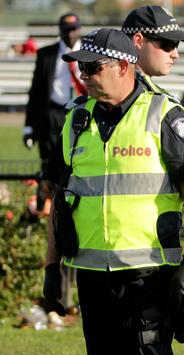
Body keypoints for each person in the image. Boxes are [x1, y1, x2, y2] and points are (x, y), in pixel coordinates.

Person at [41, 28, 184, 355]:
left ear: (123, 65)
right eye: (79, 67)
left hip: (148, 274)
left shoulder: (163, 114)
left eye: (92, 67)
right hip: (94, 275)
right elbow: (63, 195)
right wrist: (52, 268)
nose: (84, 76)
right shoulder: (77, 119)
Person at [24, 13, 84, 214]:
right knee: (49, 161)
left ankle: (75, 201)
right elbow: (35, 92)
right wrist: (29, 126)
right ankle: (45, 206)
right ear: (59, 31)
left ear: (80, 29)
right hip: (52, 113)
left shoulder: (89, 52)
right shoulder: (47, 55)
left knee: (78, 157)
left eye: (74, 29)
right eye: (66, 30)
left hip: (81, 111)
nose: (70, 34)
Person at [122, 4, 184, 93]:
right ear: (138, 41)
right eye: (168, 44)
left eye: (176, 44)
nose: (175, 55)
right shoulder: (121, 93)